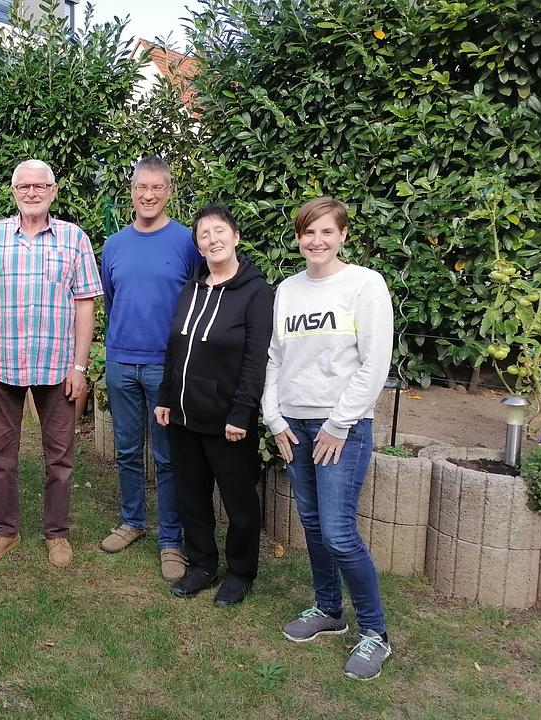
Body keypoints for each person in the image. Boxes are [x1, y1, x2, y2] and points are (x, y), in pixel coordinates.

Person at [261, 196, 394, 680]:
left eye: (326, 232)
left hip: (342, 428)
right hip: (294, 426)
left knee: (338, 532)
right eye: (308, 232)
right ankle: (328, 610)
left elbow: (374, 364)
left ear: (342, 235)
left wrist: (339, 424)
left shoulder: (364, 285)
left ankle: (375, 633)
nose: (316, 241)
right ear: (298, 238)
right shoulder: (287, 290)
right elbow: (274, 358)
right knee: (314, 525)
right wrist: (274, 419)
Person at [0, 159, 103, 568]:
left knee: (60, 457)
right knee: (0, 457)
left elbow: (85, 306)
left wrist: (79, 367)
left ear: (53, 191)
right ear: (13, 192)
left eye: (40, 186)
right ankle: (5, 531)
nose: (32, 192)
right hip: (3, 364)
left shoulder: (74, 239)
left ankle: (57, 534)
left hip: (56, 367)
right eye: (23, 186)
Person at [154, 204, 273, 606]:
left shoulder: (256, 292)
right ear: (199, 246)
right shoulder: (192, 288)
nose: (212, 239)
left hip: (228, 421)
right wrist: (166, 396)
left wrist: (242, 412)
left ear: (235, 236)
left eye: (219, 231)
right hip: (184, 416)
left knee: (239, 502)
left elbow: (256, 359)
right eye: (203, 234)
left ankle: (241, 572)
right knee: (192, 497)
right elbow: (175, 347)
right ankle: (203, 565)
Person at [99, 156, 202, 581]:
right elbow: (111, 299)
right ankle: (132, 521)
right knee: (126, 450)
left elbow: (197, 300)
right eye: (142, 186)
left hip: (166, 367)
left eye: (157, 187)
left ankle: (171, 539)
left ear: (168, 192)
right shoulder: (113, 245)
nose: (148, 194)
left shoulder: (186, 242)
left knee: (168, 456)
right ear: (132, 191)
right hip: (121, 362)